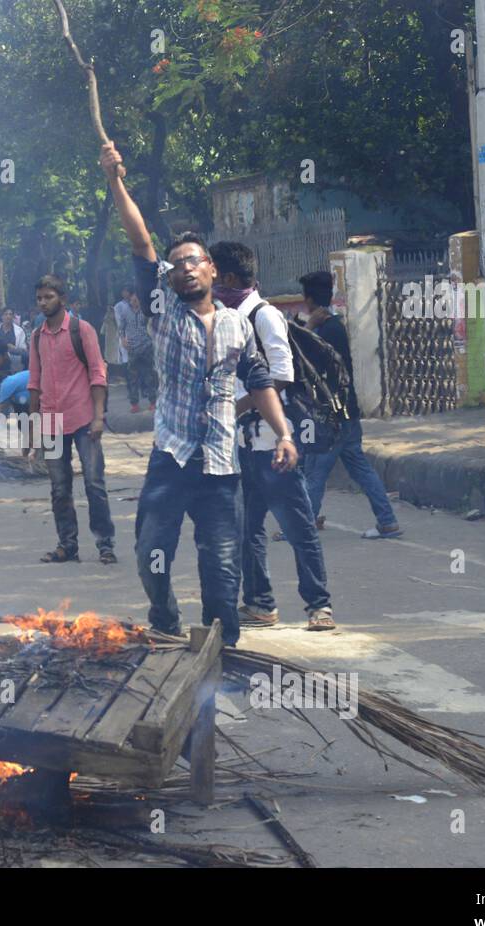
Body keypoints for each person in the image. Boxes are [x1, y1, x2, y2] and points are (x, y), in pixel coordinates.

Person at [103, 141, 297, 644]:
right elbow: (141, 242)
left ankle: (220, 647)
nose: (184, 267)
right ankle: (164, 618)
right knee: (152, 554)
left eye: (193, 260)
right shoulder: (162, 313)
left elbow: (258, 379)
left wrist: (283, 432)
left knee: (222, 567)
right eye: (176, 265)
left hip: (221, 465)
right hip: (171, 458)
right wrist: (115, 181)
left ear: (211, 269)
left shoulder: (238, 324)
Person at [209, 244, 334, 631]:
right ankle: (260, 603)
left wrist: (238, 407)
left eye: (215, 275)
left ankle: (319, 605)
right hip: (238, 445)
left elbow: (282, 375)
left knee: (297, 525)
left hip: (271, 440)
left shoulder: (263, 317)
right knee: (247, 529)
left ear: (229, 279)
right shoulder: (222, 316)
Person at [298, 270, 403, 540]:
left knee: (315, 471)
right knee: (359, 468)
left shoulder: (325, 330)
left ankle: (303, 525)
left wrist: (307, 328)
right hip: (346, 412)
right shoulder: (332, 327)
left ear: (309, 300)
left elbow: (301, 363)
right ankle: (387, 521)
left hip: (332, 416)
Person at [28, 274, 116, 564]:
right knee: (59, 488)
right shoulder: (37, 336)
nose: (43, 302)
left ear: (62, 299)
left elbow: (97, 373)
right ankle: (68, 545)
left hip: (82, 418)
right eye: (40, 298)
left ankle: (105, 545)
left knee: (94, 483)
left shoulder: (82, 330)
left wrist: (99, 416)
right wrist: (33, 428)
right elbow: (34, 382)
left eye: (48, 297)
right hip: (51, 421)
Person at [115, 285, 156, 413]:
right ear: (130, 301)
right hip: (132, 348)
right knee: (133, 378)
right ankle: (134, 404)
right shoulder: (125, 312)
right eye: (133, 300)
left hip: (146, 347)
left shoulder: (146, 312)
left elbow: (154, 325)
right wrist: (123, 340)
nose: (135, 302)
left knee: (149, 376)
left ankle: (153, 402)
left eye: (137, 300)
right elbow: (121, 328)